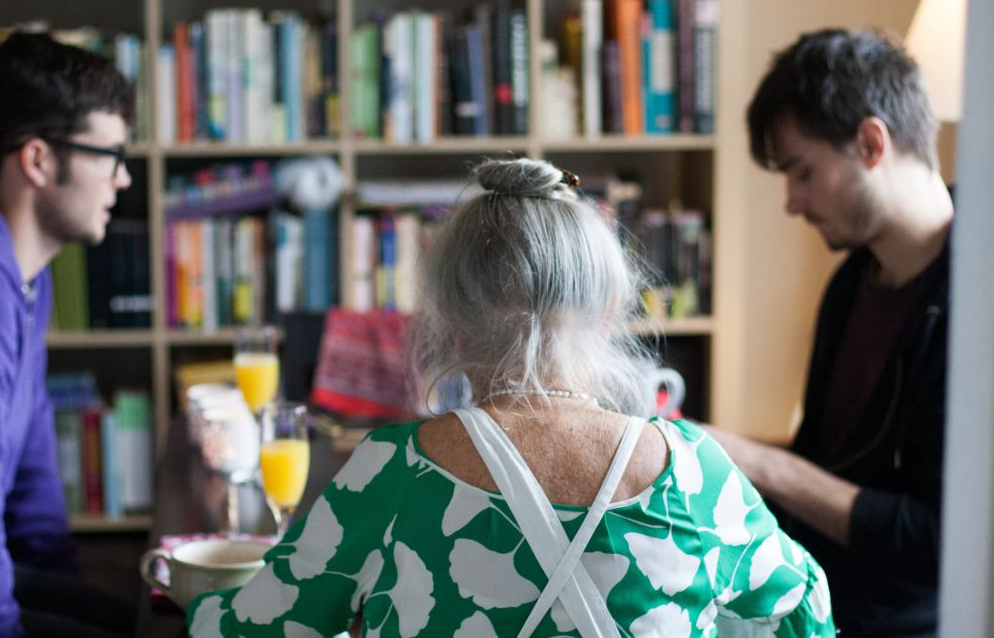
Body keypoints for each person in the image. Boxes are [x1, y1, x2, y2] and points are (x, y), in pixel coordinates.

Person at [188, 157, 834, 636]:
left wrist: (187, 597)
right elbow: (805, 604)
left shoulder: (391, 473)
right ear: (610, 309)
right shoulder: (696, 476)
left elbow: (254, 627)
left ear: (450, 321)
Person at [705, 28, 952, 636]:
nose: (792, 201)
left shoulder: (976, 305)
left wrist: (761, 464)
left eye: (802, 172)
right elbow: (824, 462)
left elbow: (944, 544)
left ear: (872, 143)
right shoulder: (849, 288)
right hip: (824, 610)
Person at [0, 32, 136, 637]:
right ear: (38, 159)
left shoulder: (24, 281)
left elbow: (32, 459)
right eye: (111, 155)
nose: (122, 180)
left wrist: (64, 585)